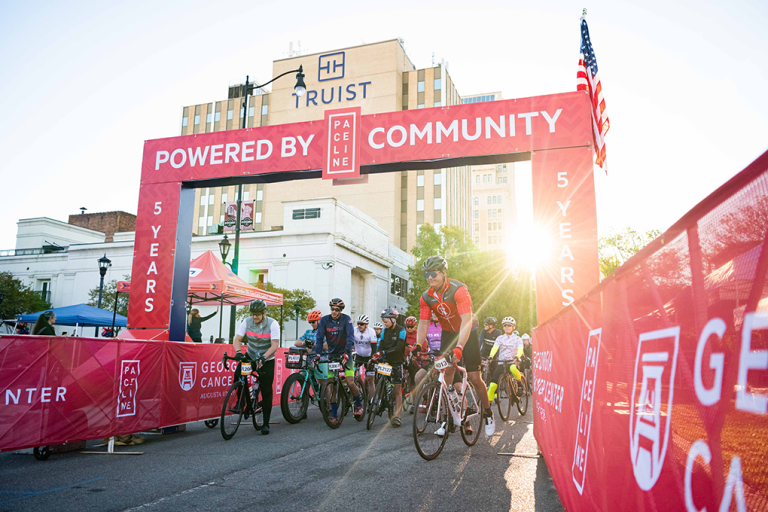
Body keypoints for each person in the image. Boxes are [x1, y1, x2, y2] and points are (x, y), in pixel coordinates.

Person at [413, 256, 495, 436]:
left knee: (474, 377)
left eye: (433, 273)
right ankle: (446, 417)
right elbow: (424, 323)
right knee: (446, 374)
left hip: (468, 331)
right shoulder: (426, 297)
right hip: (448, 333)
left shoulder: (459, 290)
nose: (430, 277)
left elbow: (466, 320)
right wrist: (418, 345)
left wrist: (459, 347)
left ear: (443, 273)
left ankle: (488, 412)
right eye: (427, 274)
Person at [233, 300, 280, 435]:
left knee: (266, 390)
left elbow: (275, 345)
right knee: (238, 375)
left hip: (267, 359)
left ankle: (265, 424)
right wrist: (238, 353)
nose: (254, 317)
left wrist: (264, 357)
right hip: (251, 356)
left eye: (257, 315)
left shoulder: (272, 324)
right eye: (253, 314)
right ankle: (242, 402)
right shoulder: (247, 322)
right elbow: (237, 340)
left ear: (264, 313)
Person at [314, 298, 364, 419]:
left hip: (345, 353)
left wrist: (347, 352)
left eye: (337, 310)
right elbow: (319, 339)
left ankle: (358, 404)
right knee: (332, 385)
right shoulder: (325, 320)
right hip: (332, 355)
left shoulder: (346, 319)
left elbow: (350, 337)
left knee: (350, 382)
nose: (334, 312)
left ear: (340, 310)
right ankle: (334, 413)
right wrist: (318, 354)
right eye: (332, 309)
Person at [373, 308, 407, 427]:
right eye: (383, 321)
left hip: (397, 361)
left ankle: (397, 416)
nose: (384, 323)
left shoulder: (402, 330)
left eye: (386, 321)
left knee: (397, 390)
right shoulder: (384, 331)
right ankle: (381, 400)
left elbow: (399, 347)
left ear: (393, 320)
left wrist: (384, 353)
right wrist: (377, 355)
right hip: (386, 360)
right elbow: (380, 345)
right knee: (380, 380)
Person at [487, 318, 523, 404]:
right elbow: (495, 347)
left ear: (513, 327)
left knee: (513, 369)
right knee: (492, 385)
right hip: (502, 363)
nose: (507, 327)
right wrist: (491, 356)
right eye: (505, 325)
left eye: (509, 325)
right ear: (503, 327)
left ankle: (520, 385)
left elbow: (520, 349)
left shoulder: (517, 339)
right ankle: (487, 408)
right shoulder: (500, 338)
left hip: (512, 362)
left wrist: (518, 356)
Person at [353, 314, 377, 399]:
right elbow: (350, 344)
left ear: (366, 325)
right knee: (352, 377)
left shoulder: (371, 332)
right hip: (359, 356)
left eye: (362, 324)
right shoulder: (354, 330)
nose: (359, 325)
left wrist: (372, 359)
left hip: (368, 356)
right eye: (358, 323)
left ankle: (371, 401)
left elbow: (374, 348)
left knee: (371, 380)